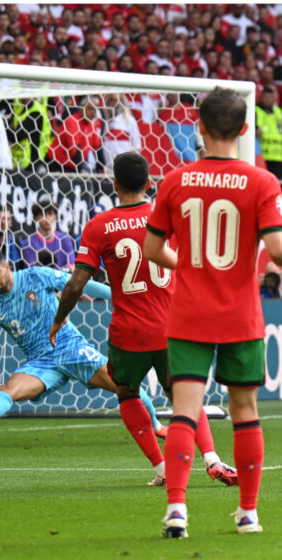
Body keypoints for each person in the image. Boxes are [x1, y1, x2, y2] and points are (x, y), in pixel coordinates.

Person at [51, 151, 238, 488]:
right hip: (173, 328)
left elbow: (76, 283)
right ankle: (211, 459)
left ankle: (162, 467)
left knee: (126, 392)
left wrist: (59, 319)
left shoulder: (99, 226)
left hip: (129, 333)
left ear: (114, 184)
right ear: (150, 183)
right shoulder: (168, 216)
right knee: (185, 395)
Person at [144, 87, 282, 538]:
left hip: (189, 313)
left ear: (198, 127)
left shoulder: (175, 179)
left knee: (185, 408)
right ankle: (247, 513)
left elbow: (152, 248)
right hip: (241, 314)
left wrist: (189, 266)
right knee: (245, 410)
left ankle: (178, 510)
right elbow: (277, 250)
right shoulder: (263, 182)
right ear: (244, 130)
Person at [0, 248, 166, 450]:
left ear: (7, 266)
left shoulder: (36, 276)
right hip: (40, 363)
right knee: (8, 391)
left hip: (72, 348)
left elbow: (80, 284)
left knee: (125, 387)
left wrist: (120, 297)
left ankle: (156, 426)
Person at [21, 197, 77, 269]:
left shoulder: (64, 239)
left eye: (50, 214)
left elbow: (71, 268)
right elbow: (31, 272)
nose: (46, 218)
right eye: (42, 214)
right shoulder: (29, 243)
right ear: (36, 218)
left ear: (55, 217)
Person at [255, 86, 282, 182]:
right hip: (262, 157)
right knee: (263, 182)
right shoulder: (256, 111)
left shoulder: (279, 112)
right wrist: (256, 130)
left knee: (278, 184)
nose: (268, 100)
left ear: (274, 98)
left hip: (278, 156)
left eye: (270, 97)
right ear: (261, 97)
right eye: (265, 97)